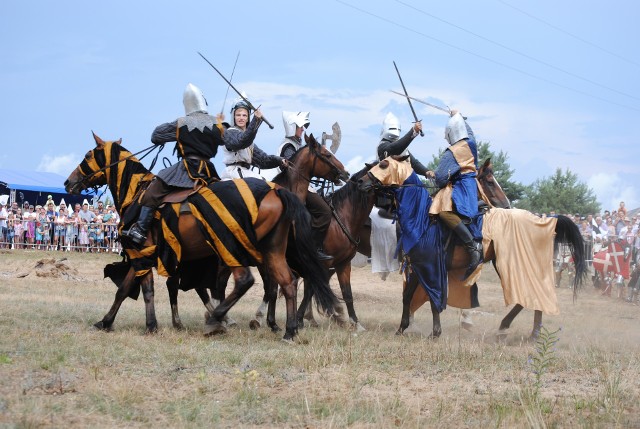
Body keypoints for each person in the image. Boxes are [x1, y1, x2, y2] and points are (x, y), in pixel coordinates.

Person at [123, 83, 225, 245]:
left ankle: (141, 230)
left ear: (186, 104)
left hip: (186, 170)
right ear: (203, 102)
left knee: (151, 192)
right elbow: (237, 141)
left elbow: (156, 135)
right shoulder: (216, 124)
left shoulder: (182, 123)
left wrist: (179, 129)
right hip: (208, 170)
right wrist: (220, 123)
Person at [431, 110, 482, 279]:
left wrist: (437, 176)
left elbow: (439, 179)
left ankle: (472, 247)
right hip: (473, 186)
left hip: (462, 188)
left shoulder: (451, 152)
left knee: (444, 212)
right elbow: (469, 133)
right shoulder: (471, 144)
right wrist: (459, 117)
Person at [278, 110, 332, 261]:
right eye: (300, 126)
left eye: (303, 127)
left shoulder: (298, 145)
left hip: (304, 185)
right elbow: (296, 169)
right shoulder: (288, 146)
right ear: (291, 126)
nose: (303, 129)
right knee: (324, 212)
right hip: (292, 187)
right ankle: (313, 248)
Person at [220, 100, 285, 180]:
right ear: (234, 117)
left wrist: (280, 160)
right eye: (238, 115)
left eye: (244, 115)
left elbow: (264, 160)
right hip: (233, 174)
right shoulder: (229, 132)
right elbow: (241, 142)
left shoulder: (250, 144)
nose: (241, 118)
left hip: (246, 172)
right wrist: (256, 120)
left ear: (248, 118)